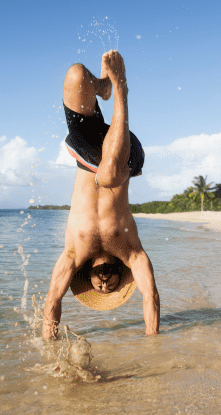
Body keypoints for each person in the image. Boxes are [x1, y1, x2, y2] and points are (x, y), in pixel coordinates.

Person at [42, 50, 160, 339]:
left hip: (88, 153)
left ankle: (102, 86)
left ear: (88, 281)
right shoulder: (131, 252)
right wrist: (152, 344)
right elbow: (151, 296)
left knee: (76, 74)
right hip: (123, 158)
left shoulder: (72, 254)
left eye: (99, 288)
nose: (105, 285)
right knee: (107, 176)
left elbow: (52, 301)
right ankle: (120, 91)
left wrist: (49, 346)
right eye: (111, 286)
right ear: (122, 277)